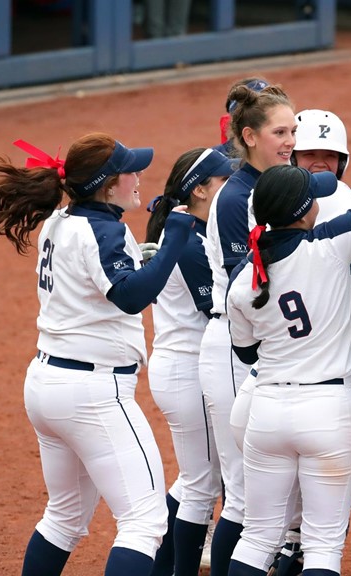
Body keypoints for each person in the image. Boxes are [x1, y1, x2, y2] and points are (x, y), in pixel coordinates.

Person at [0, 134, 196, 575]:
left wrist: (144, 257)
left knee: (64, 518)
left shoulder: (60, 219)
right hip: (93, 394)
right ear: (108, 185)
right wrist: (172, 243)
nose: (139, 177)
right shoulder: (103, 229)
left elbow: (100, 276)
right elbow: (130, 297)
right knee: (144, 522)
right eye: (130, 171)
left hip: (47, 384)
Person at [225, 164, 351, 576]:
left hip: (268, 409)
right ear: (303, 210)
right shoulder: (327, 246)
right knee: (323, 544)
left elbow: (245, 355)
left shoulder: (244, 279)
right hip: (326, 409)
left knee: (258, 535)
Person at [200, 82, 296, 576]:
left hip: (260, 343)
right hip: (239, 346)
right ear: (249, 135)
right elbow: (255, 285)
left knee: (261, 498)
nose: (290, 140)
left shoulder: (275, 182)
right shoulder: (239, 197)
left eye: (292, 130)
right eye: (280, 131)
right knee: (242, 497)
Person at [145, 147, 234, 576]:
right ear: (200, 189)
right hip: (188, 369)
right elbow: (218, 310)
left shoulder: (186, 231)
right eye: (224, 182)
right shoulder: (193, 242)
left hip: (180, 366)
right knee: (202, 485)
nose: (233, 188)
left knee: (195, 480)